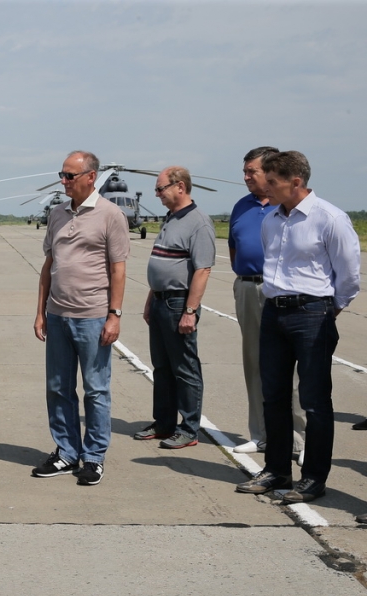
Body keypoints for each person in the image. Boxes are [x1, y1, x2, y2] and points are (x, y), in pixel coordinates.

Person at [236, 151, 360, 503]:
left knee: (314, 401)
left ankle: (313, 478)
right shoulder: (271, 220)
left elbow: (349, 276)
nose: (266, 187)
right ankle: (276, 470)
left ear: (296, 182)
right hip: (274, 312)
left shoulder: (329, 218)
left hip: (312, 314)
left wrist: (329, 309)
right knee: (272, 396)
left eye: (272, 181)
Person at [32, 151, 129, 486]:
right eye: (62, 174)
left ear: (91, 176)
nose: (64, 181)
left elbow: (118, 269)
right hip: (58, 315)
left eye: (70, 176)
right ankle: (66, 452)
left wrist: (114, 316)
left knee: (96, 390)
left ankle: (93, 457)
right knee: (58, 387)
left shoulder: (110, 215)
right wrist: (40, 311)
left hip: (93, 317)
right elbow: (49, 265)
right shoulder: (57, 214)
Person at [227, 146, 306, 460]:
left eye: (252, 172)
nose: (246, 178)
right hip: (247, 288)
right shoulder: (241, 206)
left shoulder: (286, 206)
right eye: (245, 172)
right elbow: (235, 248)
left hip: (283, 291)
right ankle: (260, 435)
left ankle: (298, 440)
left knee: (293, 367)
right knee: (254, 363)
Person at [134, 166, 215, 450]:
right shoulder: (171, 218)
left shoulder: (198, 223)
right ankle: (164, 423)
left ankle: (189, 428)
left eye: (161, 189)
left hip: (179, 303)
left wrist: (190, 311)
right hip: (159, 301)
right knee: (162, 367)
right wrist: (149, 300)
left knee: (185, 368)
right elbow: (162, 264)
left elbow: (202, 270)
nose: (158, 195)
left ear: (180, 187)